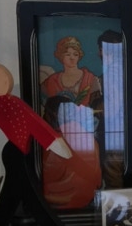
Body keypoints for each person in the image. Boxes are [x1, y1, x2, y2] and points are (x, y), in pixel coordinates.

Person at [0, 57, 82, 226]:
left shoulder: (11, 103)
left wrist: (54, 142)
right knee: (34, 199)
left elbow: (34, 124)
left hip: (16, 152)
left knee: (10, 196)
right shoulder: (5, 105)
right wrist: (53, 142)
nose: (4, 80)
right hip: (15, 154)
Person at [40, 36, 102, 209]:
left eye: (75, 54)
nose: (72, 57)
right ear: (60, 56)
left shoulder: (91, 79)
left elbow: (98, 106)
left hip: (84, 133)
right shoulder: (50, 81)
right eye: (68, 54)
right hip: (58, 134)